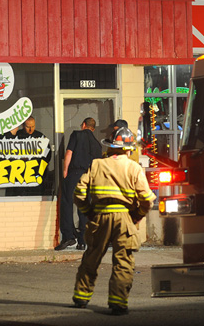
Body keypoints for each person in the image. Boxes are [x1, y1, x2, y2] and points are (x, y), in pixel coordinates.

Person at [71, 127, 156, 315]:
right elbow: (148, 200)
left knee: (91, 257)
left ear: (111, 147)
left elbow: (78, 193)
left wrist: (89, 212)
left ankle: (81, 298)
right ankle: (118, 302)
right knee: (123, 261)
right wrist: (137, 216)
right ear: (128, 149)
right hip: (124, 219)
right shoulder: (134, 168)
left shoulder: (96, 165)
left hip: (99, 216)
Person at [55, 117, 103, 251]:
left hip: (75, 173)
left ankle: (68, 237)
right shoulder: (97, 144)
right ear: (93, 129)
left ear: (83, 125)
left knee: (66, 203)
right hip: (89, 177)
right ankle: (82, 241)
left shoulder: (76, 135)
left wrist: (65, 171)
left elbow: (69, 153)